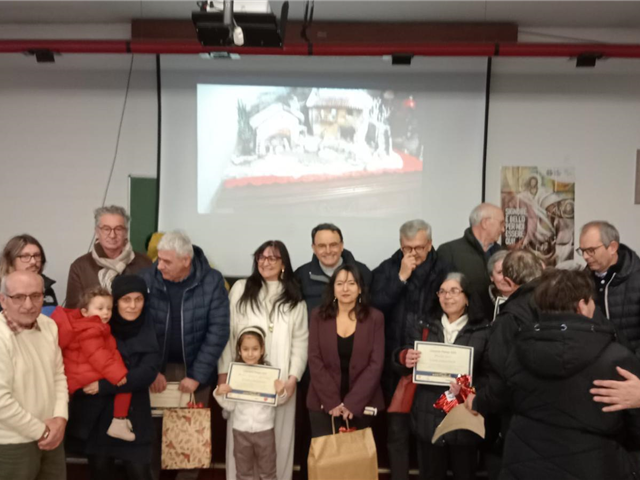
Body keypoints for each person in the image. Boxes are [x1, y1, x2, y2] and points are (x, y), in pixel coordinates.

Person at [489, 269, 640, 480]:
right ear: (582, 305)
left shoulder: (518, 352)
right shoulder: (617, 359)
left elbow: (502, 396)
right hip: (592, 466)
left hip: (522, 464)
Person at [140, 231, 229, 480]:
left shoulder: (212, 281)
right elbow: (139, 326)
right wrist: (151, 370)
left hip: (195, 372)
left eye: (166, 261)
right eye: (159, 259)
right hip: (156, 371)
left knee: (190, 441)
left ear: (186, 260)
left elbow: (218, 330)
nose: (159, 265)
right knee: (152, 438)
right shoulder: (146, 278)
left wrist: (197, 375)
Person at [219, 240, 308, 480]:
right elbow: (228, 335)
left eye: (272, 258)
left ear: (283, 264)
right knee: (242, 443)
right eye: (261, 257)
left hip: (280, 384)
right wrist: (223, 374)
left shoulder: (294, 298)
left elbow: (301, 341)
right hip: (242, 380)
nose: (265, 262)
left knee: (278, 442)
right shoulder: (241, 289)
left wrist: (293, 378)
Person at [370, 219, 449, 480]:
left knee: (430, 434)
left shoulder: (446, 269)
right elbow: (374, 308)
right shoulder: (387, 268)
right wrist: (400, 278)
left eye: (419, 248)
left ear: (430, 244)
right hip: (396, 362)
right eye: (407, 248)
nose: (413, 253)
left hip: (434, 363)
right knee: (397, 433)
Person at [397, 273, 490, 480]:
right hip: (427, 414)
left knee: (464, 473)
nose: (447, 296)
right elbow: (401, 356)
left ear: (467, 297)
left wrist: (468, 389)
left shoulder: (483, 330)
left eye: (454, 291)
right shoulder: (424, 325)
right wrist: (404, 357)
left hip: (463, 415)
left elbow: (489, 374)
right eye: (442, 292)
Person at [67, 275, 159, 480]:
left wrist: (104, 385)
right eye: (126, 299)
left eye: (139, 299)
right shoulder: (96, 325)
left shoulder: (149, 327)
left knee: (140, 473)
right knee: (101, 472)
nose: (133, 306)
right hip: (97, 416)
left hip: (134, 417)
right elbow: (78, 364)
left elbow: (147, 373)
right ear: (116, 301)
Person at [0, 271, 68, 480]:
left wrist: (60, 419)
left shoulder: (49, 325)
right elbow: (1, 401)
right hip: (12, 444)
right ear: (3, 300)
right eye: (19, 297)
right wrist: (42, 431)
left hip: (52, 436)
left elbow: (58, 376)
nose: (28, 305)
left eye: (36, 296)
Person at [307, 264, 385, 436]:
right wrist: (332, 401)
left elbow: (376, 364)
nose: (345, 289)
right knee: (325, 453)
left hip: (363, 401)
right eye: (340, 283)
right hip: (323, 401)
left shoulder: (375, 318)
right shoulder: (318, 315)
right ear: (333, 288)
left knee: (358, 454)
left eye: (351, 283)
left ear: (360, 289)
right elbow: (314, 359)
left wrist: (353, 403)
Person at [51, 287, 135, 442]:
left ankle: (119, 421)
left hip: (83, 372)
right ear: (84, 312)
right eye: (100, 309)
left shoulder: (95, 326)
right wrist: (117, 374)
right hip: (83, 375)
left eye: (109, 309)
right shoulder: (90, 330)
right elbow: (98, 355)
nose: (106, 313)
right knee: (125, 386)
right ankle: (119, 422)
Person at [214, 326, 287, 480]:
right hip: (240, 431)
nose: (250, 353)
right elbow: (230, 406)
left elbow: (278, 401)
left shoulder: (270, 374)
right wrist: (219, 393)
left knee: (268, 473)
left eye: (255, 349)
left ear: (262, 350)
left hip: (265, 431)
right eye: (245, 349)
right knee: (243, 474)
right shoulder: (235, 375)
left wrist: (281, 392)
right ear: (239, 351)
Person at [66, 205, 152, 308]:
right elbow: (73, 311)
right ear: (97, 232)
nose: (112, 235)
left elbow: (152, 304)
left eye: (118, 229)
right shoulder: (80, 267)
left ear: (126, 232)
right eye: (106, 229)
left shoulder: (145, 263)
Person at [578, 221, 640, 353]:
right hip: (596, 360)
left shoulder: (636, 278)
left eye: (591, 250)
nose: (585, 257)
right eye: (582, 251)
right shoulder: (582, 282)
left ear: (612, 247)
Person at [437, 203, 504, 318]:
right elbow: (439, 292)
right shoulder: (449, 251)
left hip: (496, 323)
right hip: (463, 325)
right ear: (485, 223)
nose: (503, 229)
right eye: (501, 223)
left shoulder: (502, 254)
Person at [295, 223, 372, 314]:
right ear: (314, 248)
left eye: (333, 245)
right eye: (322, 246)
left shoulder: (362, 272)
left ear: (341, 246)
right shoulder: (301, 275)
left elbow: (369, 309)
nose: (328, 251)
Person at [0, 234, 58, 308]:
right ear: (11, 260)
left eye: (37, 255)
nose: (33, 262)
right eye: (25, 256)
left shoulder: (47, 288)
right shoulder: (3, 288)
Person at [487, 250, 513, 322]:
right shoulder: (482, 303)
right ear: (491, 277)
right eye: (500, 272)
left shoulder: (530, 299)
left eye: (509, 271)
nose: (505, 277)